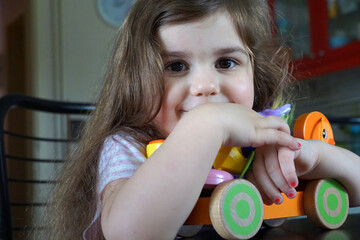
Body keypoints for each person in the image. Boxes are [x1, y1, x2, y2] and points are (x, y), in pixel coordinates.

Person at [41, 0, 360, 240]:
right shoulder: (127, 147)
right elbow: (131, 233)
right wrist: (206, 125)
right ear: (136, 81)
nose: (206, 85)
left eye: (226, 61)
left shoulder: (258, 134)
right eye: (176, 66)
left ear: (255, 72)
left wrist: (312, 156)